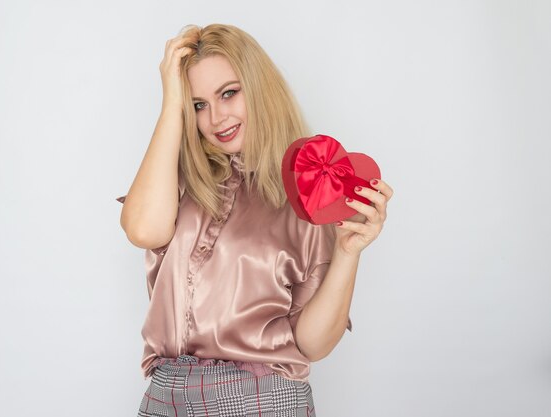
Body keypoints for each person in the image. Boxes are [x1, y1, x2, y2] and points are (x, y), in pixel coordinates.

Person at [118, 23, 393, 417]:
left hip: (259, 401)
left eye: (228, 93)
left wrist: (348, 254)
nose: (216, 118)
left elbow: (313, 344)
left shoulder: (309, 189)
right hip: (166, 398)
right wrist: (170, 103)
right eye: (198, 104)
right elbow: (143, 229)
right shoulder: (178, 181)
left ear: (258, 87)